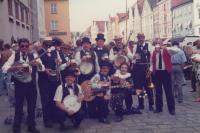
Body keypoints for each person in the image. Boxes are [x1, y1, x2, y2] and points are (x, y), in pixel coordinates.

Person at [2, 38, 43, 133]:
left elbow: (42, 68)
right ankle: (16, 128)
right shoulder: (14, 55)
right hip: (19, 85)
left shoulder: (34, 55)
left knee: (32, 107)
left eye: (26, 46)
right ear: (19, 47)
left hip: (31, 85)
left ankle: (31, 127)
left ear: (29, 46)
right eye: (22, 46)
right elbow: (4, 68)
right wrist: (15, 68)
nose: (24, 47)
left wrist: (37, 64)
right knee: (18, 107)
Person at [151, 42, 175, 115]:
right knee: (158, 92)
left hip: (166, 72)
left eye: (159, 44)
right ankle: (159, 108)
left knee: (168, 91)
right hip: (157, 73)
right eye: (156, 44)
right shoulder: (154, 52)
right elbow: (152, 63)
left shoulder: (167, 50)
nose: (158, 46)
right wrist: (151, 71)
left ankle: (171, 109)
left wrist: (165, 47)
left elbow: (177, 50)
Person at [132, 33, 154, 111]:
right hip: (137, 69)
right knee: (139, 88)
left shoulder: (149, 46)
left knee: (148, 88)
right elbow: (134, 59)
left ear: (144, 38)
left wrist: (150, 70)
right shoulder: (135, 46)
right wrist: (133, 59)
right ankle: (141, 104)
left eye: (142, 37)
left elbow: (152, 59)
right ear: (137, 38)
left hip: (146, 68)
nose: (140, 39)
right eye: (139, 38)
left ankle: (151, 104)